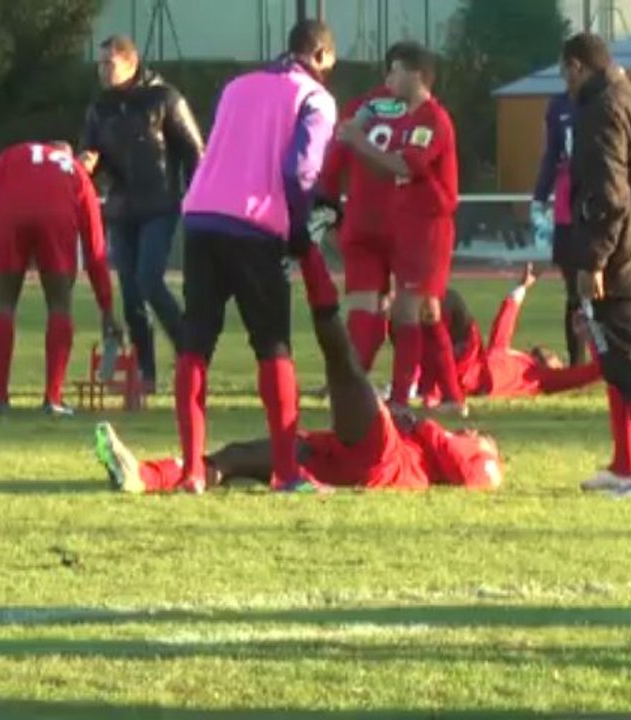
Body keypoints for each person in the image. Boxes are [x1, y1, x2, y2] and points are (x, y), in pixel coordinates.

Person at [94, 245, 502, 494]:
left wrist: (422, 426)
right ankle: (144, 478)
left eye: (479, 434)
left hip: (384, 459)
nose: (473, 432)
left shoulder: (480, 453)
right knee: (232, 457)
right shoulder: (457, 440)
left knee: (342, 363)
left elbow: (476, 476)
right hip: (331, 454)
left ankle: (309, 252)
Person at [174, 20, 338, 493]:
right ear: (323, 56)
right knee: (272, 346)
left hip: (201, 217)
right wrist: (299, 227)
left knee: (195, 343)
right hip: (254, 226)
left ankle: (191, 471)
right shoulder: (315, 98)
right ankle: (286, 472)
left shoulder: (238, 86)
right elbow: (300, 169)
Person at [562, 33, 631, 500]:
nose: (565, 84)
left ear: (576, 66)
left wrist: (595, 258)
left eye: (565, 73)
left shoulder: (603, 108)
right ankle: (625, 464)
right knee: (613, 363)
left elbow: (609, 195)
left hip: (620, 259)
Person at [335, 41, 466, 417]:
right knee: (427, 314)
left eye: (395, 70)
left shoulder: (432, 119)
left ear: (417, 75)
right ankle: (454, 398)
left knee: (408, 314)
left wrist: (359, 142)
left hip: (428, 227)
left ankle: (399, 401)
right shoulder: (407, 116)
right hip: (410, 224)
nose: (388, 78)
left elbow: (409, 166)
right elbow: (391, 165)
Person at [78, 35, 203, 394]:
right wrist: (87, 161)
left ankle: (189, 353)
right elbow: (88, 148)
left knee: (149, 279)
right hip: (121, 208)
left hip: (159, 204)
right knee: (131, 293)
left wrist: (196, 198)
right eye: (100, 64)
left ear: (131, 64)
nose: (103, 70)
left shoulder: (164, 98)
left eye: (109, 63)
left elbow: (195, 150)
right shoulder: (99, 107)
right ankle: (145, 374)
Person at [0, 141, 122, 415]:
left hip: (10, 212)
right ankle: (53, 398)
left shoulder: (12, 155)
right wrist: (106, 309)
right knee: (59, 303)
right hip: (56, 216)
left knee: (3, 303)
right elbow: (95, 251)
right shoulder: (76, 173)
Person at [317, 83, 406, 373]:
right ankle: (422, 384)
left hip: (361, 221)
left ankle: (349, 381)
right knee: (413, 307)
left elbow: (330, 169)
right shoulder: (422, 110)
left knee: (363, 308)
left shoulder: (358, 107)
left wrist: (331, 215)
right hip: (406, 220)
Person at [427, 263, 602, 400]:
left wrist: (591, 335)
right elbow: (502, 331)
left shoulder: (542, 378)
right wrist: (521, 287)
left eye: (560, 363)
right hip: (469, 365)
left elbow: (589, 373)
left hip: (470, 370)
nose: (557, 357)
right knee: (437, 312)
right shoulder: (520, 360)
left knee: (450, 303)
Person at [531, 91, 584, 367]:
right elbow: (551, 154)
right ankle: (577, 362)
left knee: (607, 290)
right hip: (567, 207)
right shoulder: (559, 104)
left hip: (599, 205)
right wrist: (540, 196)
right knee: (574, 289)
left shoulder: (608, 99)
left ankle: (609, 361)